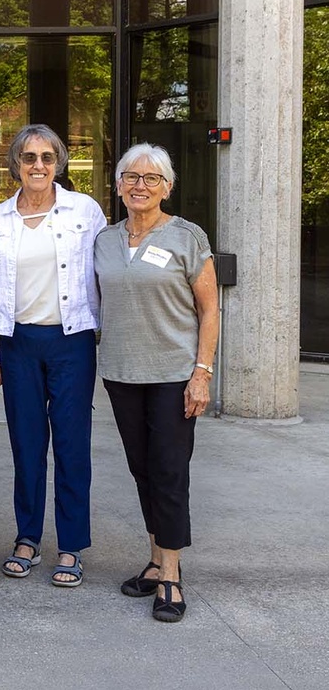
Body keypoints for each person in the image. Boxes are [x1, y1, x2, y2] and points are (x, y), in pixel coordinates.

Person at [0, 124, 107, 588]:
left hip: (71, 342)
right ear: (14, 164)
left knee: (72, 446)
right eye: (29, 157)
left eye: (47, 157)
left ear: (60, 162)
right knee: (26, 446)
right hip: (18, 345)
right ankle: (27, 537)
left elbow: (105, 274)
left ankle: (71, 545)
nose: (38, 165)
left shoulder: (85, 211)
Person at [94, 142, 218, 623]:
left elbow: (209, 309)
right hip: (123, 373)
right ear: (119, 183)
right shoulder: (105, 240)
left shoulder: (187, 237)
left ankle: (170, 574)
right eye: (131, 177)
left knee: (169, 471)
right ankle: (154, 557)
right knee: (142, 469)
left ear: (167, 186)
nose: (140, 185)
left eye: (151, 179)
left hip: (172, 375)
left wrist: (201, 373)